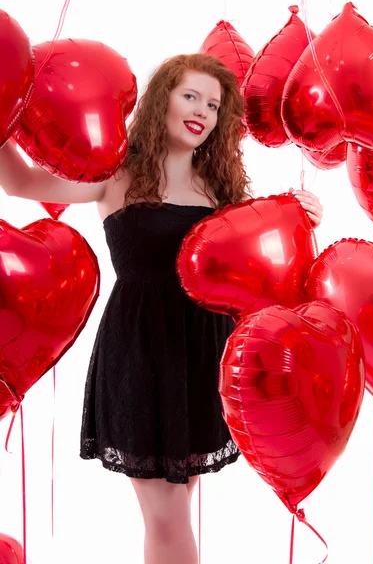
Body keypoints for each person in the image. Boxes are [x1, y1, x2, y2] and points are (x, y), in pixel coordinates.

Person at [0, 53, 323, 564]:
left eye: (214, 105)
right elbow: (18, 183)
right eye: (190, 95)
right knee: (168, 515)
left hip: (203, 353)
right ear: (161, 101)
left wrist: (303, 215)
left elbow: (261, 270)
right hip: (141, 351)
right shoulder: (116, 174)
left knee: (172, 515)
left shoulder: (221, 192)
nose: (201, 111)